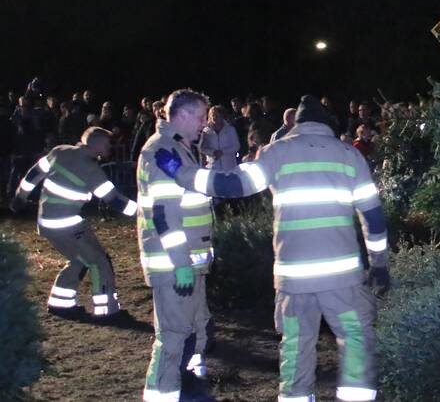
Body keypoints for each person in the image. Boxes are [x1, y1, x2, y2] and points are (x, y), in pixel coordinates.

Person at [156, 94, 390, 402]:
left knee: (296, 344)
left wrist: (180, 172)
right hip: (342, 280)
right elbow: (373, 218)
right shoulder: (350, 156)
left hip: (293, 281)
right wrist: (380, 265)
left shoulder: (275, 152)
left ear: (296, 125)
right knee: (356, 338)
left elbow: (230, 185)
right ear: (326, 125)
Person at [137, 89, 218, 402]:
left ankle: (182, 388)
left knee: (194, 330)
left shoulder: (180, 150)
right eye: (200, 117)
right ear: (182, 115)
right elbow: (165, 215)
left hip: (188, 263)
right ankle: (163, 395)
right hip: (173, 265)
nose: (203, 124)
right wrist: (181, 262)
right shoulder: (160, 151)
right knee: (172, 338)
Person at [9, 127, 137, 320]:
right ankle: (107, 311)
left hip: (50, 221)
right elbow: (114, 200)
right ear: (97, 145)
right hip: (64, 224)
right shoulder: (90, 169)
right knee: (98, 261)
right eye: (108, 144)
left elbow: (33, 174)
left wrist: (19, 198)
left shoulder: (59, 151)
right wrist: (144, 213)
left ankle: (60, 304)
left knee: (80, 260)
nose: (111, 147)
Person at [199, 105, 241, 172]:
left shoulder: (230, 129)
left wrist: (222, 152)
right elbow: (202, 148)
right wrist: (213, 152)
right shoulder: (206, 131)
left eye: (217, 115)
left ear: (222, 116)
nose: (215, 117)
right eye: (213, 115)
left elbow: (236, 146)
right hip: (213, 167)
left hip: (229, 167)